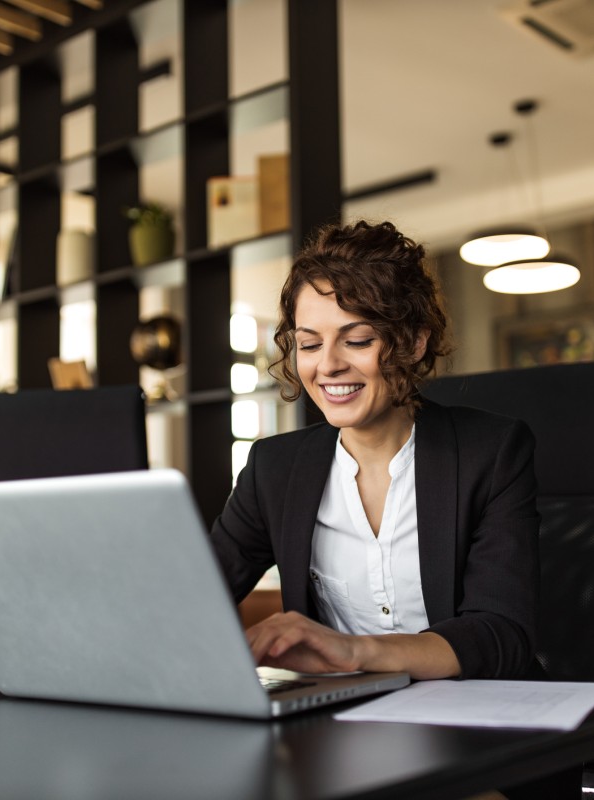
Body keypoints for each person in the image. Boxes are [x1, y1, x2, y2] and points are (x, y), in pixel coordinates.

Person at [209, 219, 541, 682]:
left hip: (479, 721)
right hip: (339, 727)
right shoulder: (274, 470)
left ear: (413, 341)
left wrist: (354, 651)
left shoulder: (492, 453)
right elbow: (195, 598)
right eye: (309, 344)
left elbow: (502, 633)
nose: (328, 365)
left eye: (358, 340)